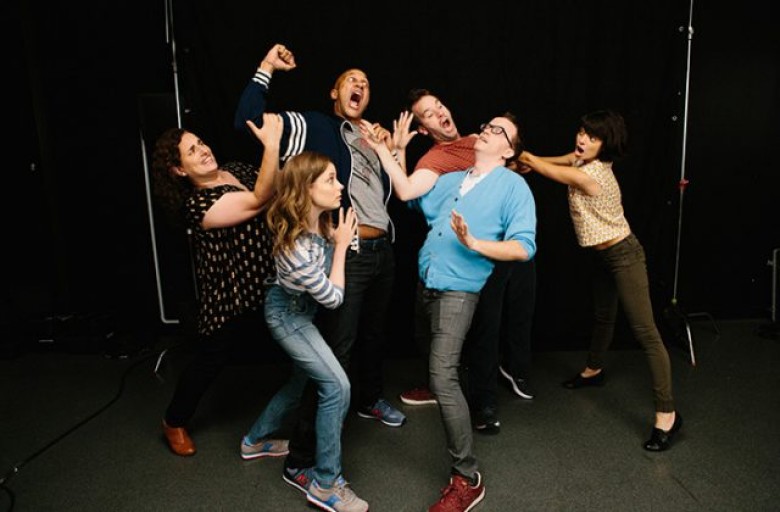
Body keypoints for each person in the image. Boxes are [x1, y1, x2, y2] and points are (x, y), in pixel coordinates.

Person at [233, 43, 405, 491]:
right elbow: (250, 117)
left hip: (381, 248)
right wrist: (267, 67)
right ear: (334, 92)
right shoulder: (315, 126)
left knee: (373, 335)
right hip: (345, 252)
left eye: (366, 84)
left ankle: (369, 400)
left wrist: (393, 147)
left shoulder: (370, 137)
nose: (361, 86)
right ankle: (304, 458)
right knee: (336, 356)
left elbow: (397, 191)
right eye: (352, 79)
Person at [363, 112, 536, 511]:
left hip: (459, 291)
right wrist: (384, 151)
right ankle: (447, 384)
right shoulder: (455, 180)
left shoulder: (513, 186)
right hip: (426, 281)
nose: (487, 130)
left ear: (509, 149)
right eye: (487, 125)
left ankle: (467, 477)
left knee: (441, 376)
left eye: (498, 130)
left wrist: (475, 243)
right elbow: (406, 192)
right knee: (433, 356)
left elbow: (524, 246)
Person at [519, 109, 682, 452]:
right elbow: (559, 160)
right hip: (600, 255)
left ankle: (667, 413)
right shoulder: (580, 159)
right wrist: (530, 163)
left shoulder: (594, 175)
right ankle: (594, 370)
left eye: (592, 137)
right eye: (581, 131)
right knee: (603, 316)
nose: (582, 140)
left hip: (624, 255)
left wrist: (522, 156)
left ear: (605, 144)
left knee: (647, 334)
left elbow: (554, 171)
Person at [387, 89, 537, 436]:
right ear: (423, 128)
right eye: (428, 113)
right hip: (455, 250)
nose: (439, 112)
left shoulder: (481, 140)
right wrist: (396, 151)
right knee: (434, 326)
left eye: (439, 104)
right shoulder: (435, 163)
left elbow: (515, 162)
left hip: (497, 245)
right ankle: (445, 384)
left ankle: (483, 403)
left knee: (487, 326)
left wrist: (521, 166)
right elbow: (410, 194)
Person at [150, 114, 290, 457]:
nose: (202, 151)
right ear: (180, 171)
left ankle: (284, 425)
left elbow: (276, 188)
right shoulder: (196, 205)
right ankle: (174, 420)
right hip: (229, 291)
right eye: (191, 151)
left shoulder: (238, 169)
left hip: (268, 278)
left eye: (201, 143)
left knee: (295, 346)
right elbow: (259, 199)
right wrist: (271, 143)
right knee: (212, 358)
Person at [245, 145, 367, 512]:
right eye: (330, 179)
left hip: (303, 313)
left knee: (300, 383)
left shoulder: (321, 222)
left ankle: (254, 440)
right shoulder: (293, 248)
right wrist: (342, 247)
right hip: (288, 317)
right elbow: (332, 298)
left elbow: (342, 251)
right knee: (336, 386)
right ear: (306, 189)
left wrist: (339, 239)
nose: (340, 185)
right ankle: (325, 483)